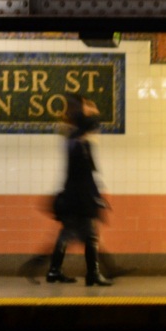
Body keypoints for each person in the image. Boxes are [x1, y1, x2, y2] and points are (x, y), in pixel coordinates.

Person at [46, 94, 113, 286]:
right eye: (85, 106)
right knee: (90, 234)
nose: (89, 108)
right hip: (80, 195)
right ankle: (92, 274)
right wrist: (96, 197)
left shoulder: (74, 138)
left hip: (74, 193)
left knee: (68, 233)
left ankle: (54, 270)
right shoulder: (77, 137)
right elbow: (92, 123)